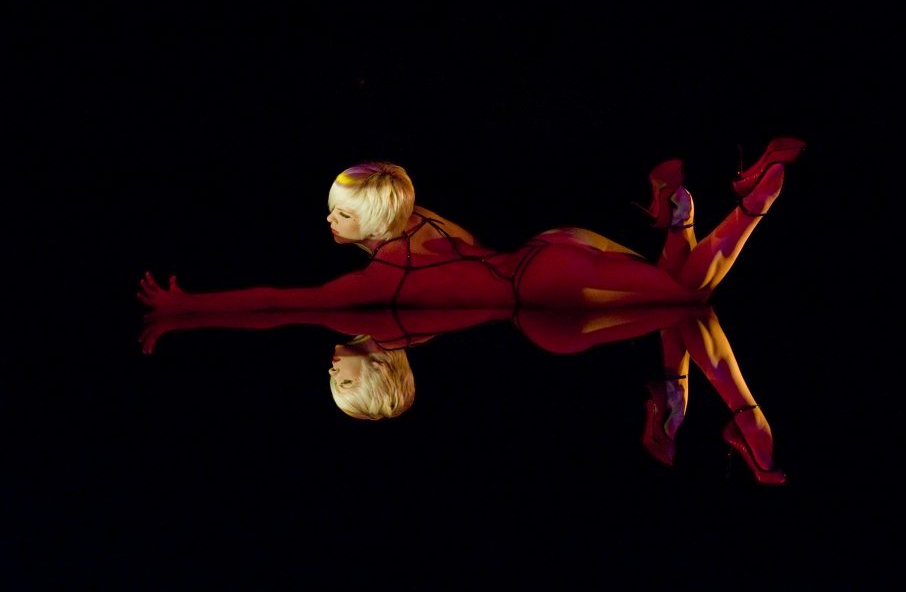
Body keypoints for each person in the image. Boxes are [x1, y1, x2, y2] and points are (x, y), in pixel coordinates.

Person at [136, 136, 806, 313]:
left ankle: (760, 193)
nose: (328, 219)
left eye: (341, 212)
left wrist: (188, 306)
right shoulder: (419, 218)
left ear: (374, 219)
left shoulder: (384, 278)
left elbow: (281, 304)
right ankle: (675, 207)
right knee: (670, 285)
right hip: (554, 245)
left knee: (688, 296)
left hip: (544, 283)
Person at [139, 304, 787, 484]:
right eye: (343, 380)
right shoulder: (379, 317)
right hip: (541, 300)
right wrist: (187, 312)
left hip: (543, 314)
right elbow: (278, 309)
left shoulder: (394, 326)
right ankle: (724, 416)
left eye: (334, 382)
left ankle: (689, 405)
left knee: (683, 301)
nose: (330, 370)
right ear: (379, 369)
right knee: (685, 299)